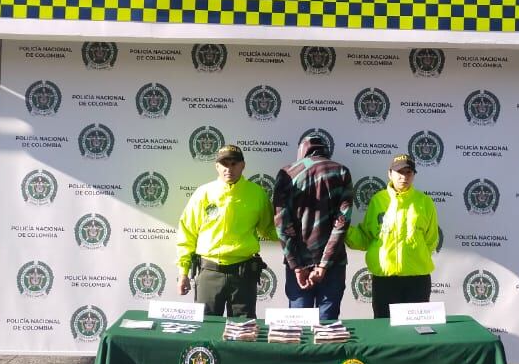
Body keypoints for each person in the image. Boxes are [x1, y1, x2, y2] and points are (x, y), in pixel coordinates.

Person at [176, 144, 277, 318]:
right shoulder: (203, 193)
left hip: (243, 275)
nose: (229, 168)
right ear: (217, 166)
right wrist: (183, 272)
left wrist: (299, 232)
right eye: (224, 164)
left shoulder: (257, 194)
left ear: (243, 165)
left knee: (243, 334)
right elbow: (187, 233)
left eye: (234, 163)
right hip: (209, 272)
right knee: (205, 331)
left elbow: (269, 229)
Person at [346, 153, 439, 319]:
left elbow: (431, 240)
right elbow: (366, 237)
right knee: (384, 331)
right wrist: (344, 229)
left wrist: (413, 258)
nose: (404, 177)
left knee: (417, 332)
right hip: (385, 280)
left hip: (417, 280)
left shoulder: (425, 202)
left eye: (409, 172)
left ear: (414, 175)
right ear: (390, 174)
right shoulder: (378, 200)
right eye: (399, 172)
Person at [272, 135, 353, 320]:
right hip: (333, 265)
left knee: (299, 329)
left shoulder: (287, 173)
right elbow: (342, 223)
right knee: (327, 330)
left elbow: (281, 224)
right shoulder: (341, 172)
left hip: (298, 265)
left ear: (302, 150)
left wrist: (297, 266)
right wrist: (324, 264)